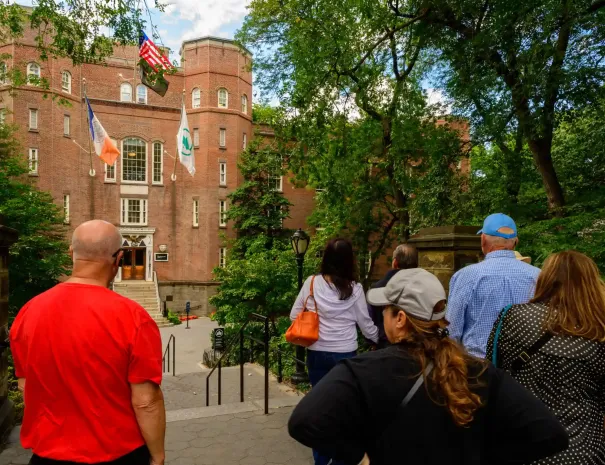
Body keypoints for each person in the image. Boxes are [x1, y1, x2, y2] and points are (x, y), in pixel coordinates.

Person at [288, 269, 569, 465]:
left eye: (385, 310)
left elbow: (305, 422)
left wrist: (357, 456)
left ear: (400, 318)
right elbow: (550, 434)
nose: (382, 317)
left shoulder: (362, 371)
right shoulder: (480, 372)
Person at [10, 220, 166, 465]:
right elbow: (146, 401)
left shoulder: (28, 313)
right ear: (120, 258)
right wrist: (157, 456)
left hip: (48, 455)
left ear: (71, 253)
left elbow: (25, 386)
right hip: (117, 453)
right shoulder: (135, 319)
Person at [487, 250, 605, 464]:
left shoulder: (513, 316)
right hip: (584, 451)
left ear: (546, 278)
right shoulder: (598, 330)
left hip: (525, 445)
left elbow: (494, 369)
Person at [290, 238, 378, 465]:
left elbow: (293, 315)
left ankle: (322, 459)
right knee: (346, 410)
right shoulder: (356, 289)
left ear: (326, 258)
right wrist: (380, 338)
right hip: (345, 355)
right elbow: (365, 323)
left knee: (320, 409)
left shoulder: (311, 283)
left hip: (317, 353)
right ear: (349, 261)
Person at [446, 213, 540, 357]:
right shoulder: (539, 276)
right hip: (525, 370)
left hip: (479, 369)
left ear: (483, 240)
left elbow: (452, 332)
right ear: (516, 242)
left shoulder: (465, 276)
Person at [368, 244, 418, 348]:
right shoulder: (422, 288)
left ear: (395, 262)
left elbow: (369, 321)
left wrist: (376, 340)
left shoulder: (377, 288)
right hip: (414, 346)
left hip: (383, 345)